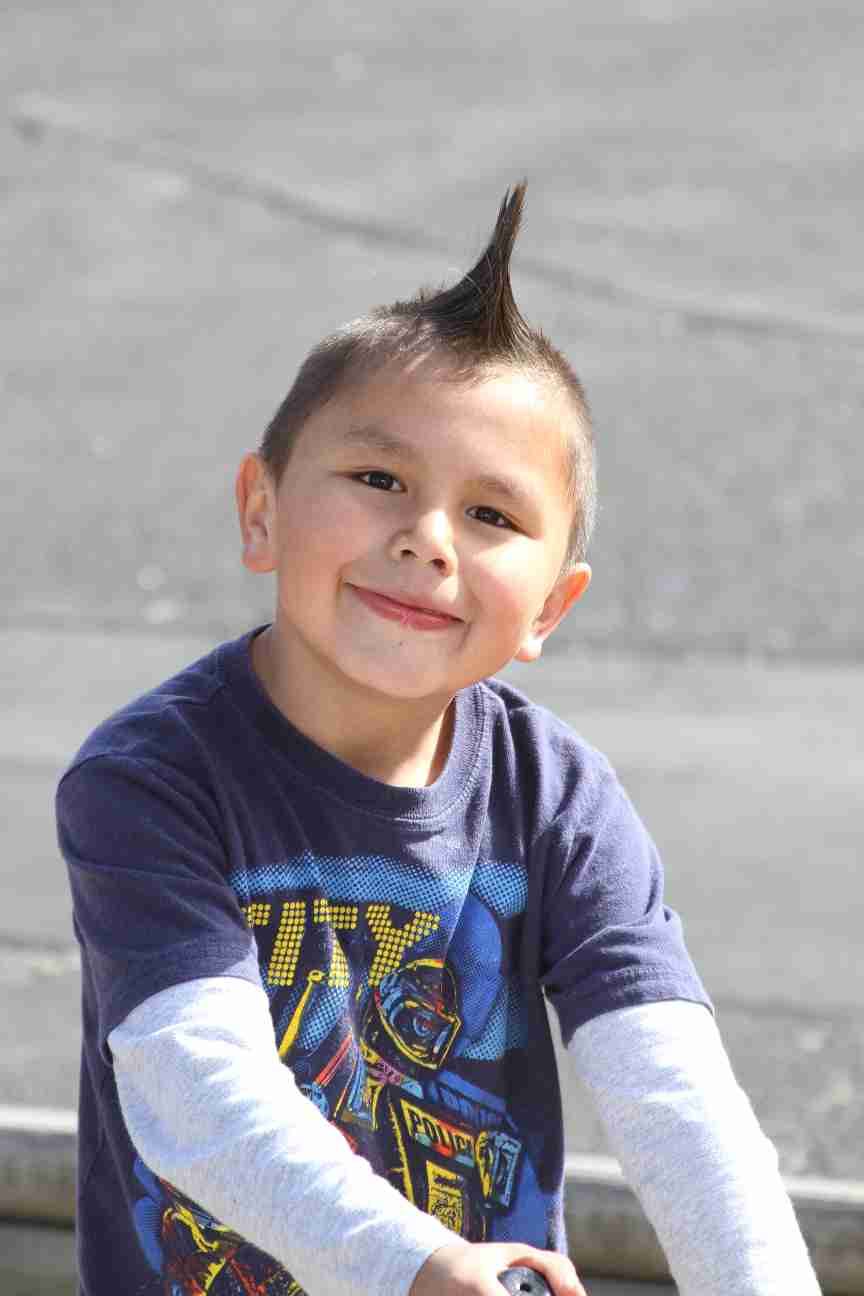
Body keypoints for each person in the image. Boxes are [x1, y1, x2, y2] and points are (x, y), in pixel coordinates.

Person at [57, 185, 820, 1296]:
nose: (424, 540)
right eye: (379, 480)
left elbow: (676, 1095)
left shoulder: (559, 799)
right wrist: (414, 1266)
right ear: (259, 510)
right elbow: (194, 1090)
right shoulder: (150, 782)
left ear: (550, 610)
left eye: (492, 516)